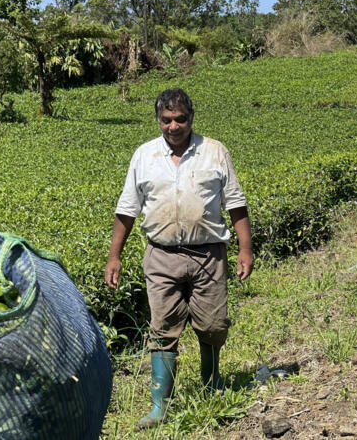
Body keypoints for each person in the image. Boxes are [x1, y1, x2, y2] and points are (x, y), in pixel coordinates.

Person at [104, 88, 255, 430]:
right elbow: (127, 210)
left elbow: (236, 204)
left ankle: (212, 386)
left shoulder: (215, 152)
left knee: (213, 326)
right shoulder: (144, 156)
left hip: (208, 255)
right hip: (161, 255)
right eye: (166, 120)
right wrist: (115, 256)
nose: (173, 126)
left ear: (191, 117)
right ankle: (160, 405)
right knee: (163, 328)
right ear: (158, 120)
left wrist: (246, 249)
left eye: (180, 119)